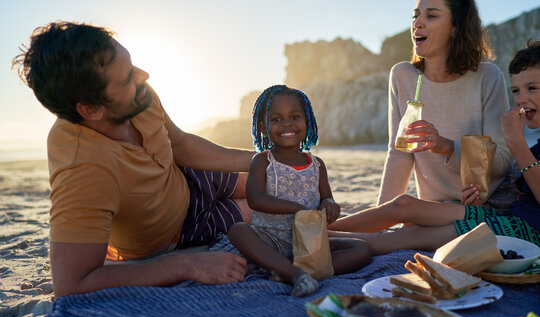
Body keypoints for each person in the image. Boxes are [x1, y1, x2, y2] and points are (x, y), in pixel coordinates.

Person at [12, 21, 255, 297]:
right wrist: (185, 264)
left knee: (277, 182)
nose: (144, 75)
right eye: (128, 77)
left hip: (185, 176)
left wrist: (257, 160)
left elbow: (180, 143)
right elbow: (71, 284)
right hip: (180, 231)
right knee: (267, 209)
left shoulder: (138, 96)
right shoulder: (82, 169)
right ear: (90, 109)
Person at [329, 39, 540, 255]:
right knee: (404, 204)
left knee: (410, 237)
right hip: (504, 215)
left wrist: (515, 140)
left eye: (532, 88)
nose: (521, 99)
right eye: (515, 91)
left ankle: (322, 242)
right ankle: (319, 231)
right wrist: (475, 202)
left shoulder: (523, 144)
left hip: (527, 230)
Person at [228, 85, 372, 297]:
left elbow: (327, 198)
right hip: (270, 240)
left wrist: (330, 207)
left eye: (295, 116)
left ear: (308, 121)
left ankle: (292, 270)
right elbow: (254, 198)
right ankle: (295, 273)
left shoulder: (317, 165)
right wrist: (295, 208)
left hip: (310, 242)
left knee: (362, 250)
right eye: (276, 119)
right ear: (262, 127)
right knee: (238, 231)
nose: (287, 123)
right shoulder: (262, 161)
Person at [377, 0, 514, 206]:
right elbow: (399, 155)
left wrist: (447, 147)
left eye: (431, 15)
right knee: (378, 230)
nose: (417, 24)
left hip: (485, 206)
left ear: (456, 27)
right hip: (433, 210)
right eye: (416, 15)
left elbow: (503, 161)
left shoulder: (488, 77)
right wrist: (381, 216)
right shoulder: (402, 75)